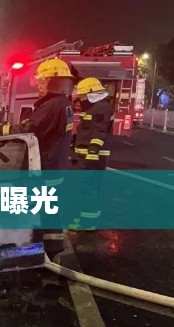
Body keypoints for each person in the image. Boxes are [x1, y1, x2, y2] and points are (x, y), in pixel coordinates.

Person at [0, 58, 76, 259]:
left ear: (54, 82)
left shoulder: (53, 105)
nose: (39, 85)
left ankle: (43, 249)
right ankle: (48, 249)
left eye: (43, 81)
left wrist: (0, 131)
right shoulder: (62, 104)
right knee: (47, 207)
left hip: (46, 166)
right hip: (54, 164)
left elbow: (33, 129)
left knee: (41, 206)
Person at [68, 77, 114, 231]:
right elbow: (89, 130)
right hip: (88, 156)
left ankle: (87, 223)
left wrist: (93, 150)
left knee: (87, 189)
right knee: (91, 188)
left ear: (91, 93)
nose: (81, 100)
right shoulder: (96, 107)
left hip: (91, 157)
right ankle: (90, 218)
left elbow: (100, 129)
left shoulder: (101, 108)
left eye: (82, 97)